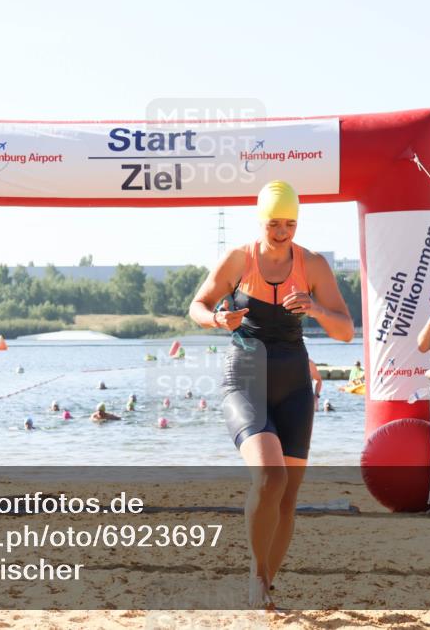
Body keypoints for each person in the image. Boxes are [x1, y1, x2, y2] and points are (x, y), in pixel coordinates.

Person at [189, 180, 354, 610]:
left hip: (294, 384)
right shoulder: (239, 259)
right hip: (245, 379)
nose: (282, 232)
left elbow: (345, 330)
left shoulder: (312, 264)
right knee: (270, 477)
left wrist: (316, 309)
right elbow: (197, 306)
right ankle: (256, 574)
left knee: (289, 496)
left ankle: (263, 584)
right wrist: (217, 319)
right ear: (261, 220)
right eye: (274, 223)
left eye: (290, 224)